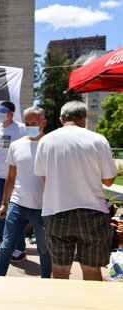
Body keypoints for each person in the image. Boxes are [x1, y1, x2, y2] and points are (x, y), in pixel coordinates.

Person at [35, 101, 117, 281]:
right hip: (93, 213)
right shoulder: (97, 140)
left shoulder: (46, 140)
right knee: (91, 270)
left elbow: (43, 176)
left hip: (56, 212)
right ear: (84, 118)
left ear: (61, 119)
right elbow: (109, 180)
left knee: (59, 270)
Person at [0, 106, 51, 278]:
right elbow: (11, 177)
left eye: (34, 123)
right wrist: (4, 203)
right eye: (27, 123)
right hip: (17, 205)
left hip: (43, 208)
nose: (30, 126)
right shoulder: (16, 145)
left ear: (44, 123)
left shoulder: (50, 145)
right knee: (6, 247)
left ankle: (47, 282)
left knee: (44, 250)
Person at [0, 101, 27, 259]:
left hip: (15, 179)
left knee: (17, 211)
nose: (0, 113)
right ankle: (2, 241)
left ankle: (19, 247)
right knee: (0, 211)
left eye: (3, 111)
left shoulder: (21, 128)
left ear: (11, 113)